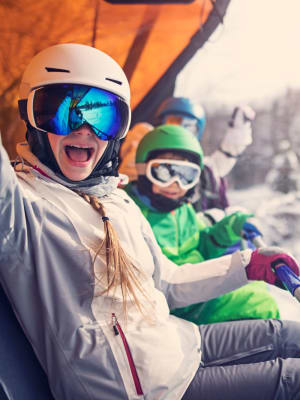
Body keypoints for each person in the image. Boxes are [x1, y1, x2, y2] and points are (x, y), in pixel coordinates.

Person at [1, 43, 300, 400]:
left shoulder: (116, 199)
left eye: (103, 116)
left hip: (178, 343)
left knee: (287, 334)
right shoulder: (22, 210)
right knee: (292, 379)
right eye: (61, 111)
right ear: (30, 116)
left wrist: (249, 265)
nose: (84, 129)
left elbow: (168, 283)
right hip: (142, 389)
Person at [124, 124, 284, 324]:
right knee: (256, 302)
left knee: (257, 289)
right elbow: (162, 284)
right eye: (164, 172)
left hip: (199, 289)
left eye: (186, 176)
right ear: (142, 168)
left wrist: (230, 228)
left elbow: (202, 246)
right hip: (179, 305)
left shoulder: (182, 209)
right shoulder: (131, 214)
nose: (175, 184)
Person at [154, 96, 255, 211]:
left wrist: (238, 133)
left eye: (189, 127)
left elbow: (224, 158)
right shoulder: (149, 162)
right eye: (173, 123)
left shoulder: (205, 171)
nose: (179, 133)